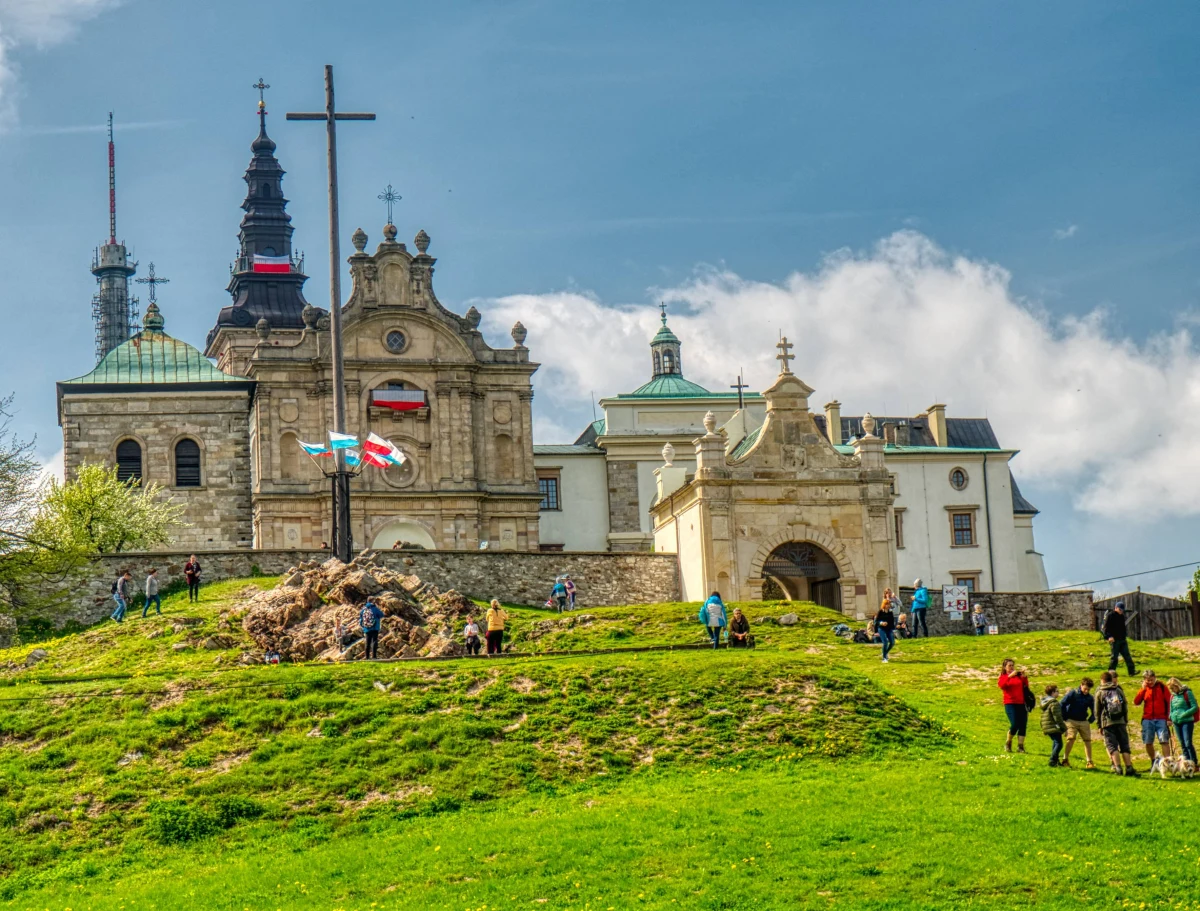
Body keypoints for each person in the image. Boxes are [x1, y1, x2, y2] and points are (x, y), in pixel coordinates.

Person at [1095, 670, 1137, 775]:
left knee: (1112, 746)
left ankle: (1118, 768)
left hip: (1107, 723)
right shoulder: (1118, 690)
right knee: (1124, 745)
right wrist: (1125, 720)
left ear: (1102, 680)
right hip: (1121, 721)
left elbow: (1097, 711)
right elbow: (1124, 705)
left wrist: (1099, 725)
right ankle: (1129, 768)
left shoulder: (1100, 692)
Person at [1134, 669, 1173, 765]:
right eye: (1148, 680)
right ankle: (1153, 761)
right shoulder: (1145, 689)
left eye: (1151, 680)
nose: (1150, 682)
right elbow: (1136, 702)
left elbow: (1169, 702)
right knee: (1148, 742)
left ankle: (1168, 763)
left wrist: (1169, 718)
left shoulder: (1162, 687)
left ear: (1155, 678)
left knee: (1164, 740)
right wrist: (1142, 689)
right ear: (1144, 680)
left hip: (1161, 719)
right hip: (1148, 719)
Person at [1059, 677, 1097, 769]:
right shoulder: (1073, 693)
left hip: (1084, 721)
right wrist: (1065, 717)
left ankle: (1089, 761)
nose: (1086, 691)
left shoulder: (1090, 698)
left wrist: (1090, 720)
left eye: (1088, 690)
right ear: (1081, 685)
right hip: (1071, 720)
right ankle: (1065, 759)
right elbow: (1062, 703)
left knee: (1087, 740)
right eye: (1085, 689)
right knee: (1071, 738)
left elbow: (1094, 710)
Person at [998, 658, 1029, 753]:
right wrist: (1009, 676)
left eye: (1012, 665)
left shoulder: (1017, 676)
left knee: (1023, 725)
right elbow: (1001, 685)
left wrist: (1024, 677)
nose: (1011, 667)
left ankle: (1020, 746)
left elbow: (1026, 687)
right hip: (1010, 703)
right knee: (1015, 724)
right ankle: (1008, 742)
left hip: (1021, 703)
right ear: (1005, 667)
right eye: (1009, 665)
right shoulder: (1004, 676)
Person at [1168, 677, 1198, 765]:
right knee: (1182, 744)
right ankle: (1186, 764)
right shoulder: (1172, 696)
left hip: (1187, 721)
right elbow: (1171, 708)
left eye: (1172, 688)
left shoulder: (1187, 693)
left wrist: (1184, 714)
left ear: (1177, 686)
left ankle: (1194, 762)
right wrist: (1170, 717)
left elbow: (1195, 707)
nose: (1171, 690)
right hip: (1176, 722)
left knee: (1188, 743)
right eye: (1170, 689)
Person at [1103, 600, 1136, 675]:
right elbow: (1106, 628)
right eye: (1120, 609)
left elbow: (1123, 628)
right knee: (1114, 657)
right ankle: (1111, 673)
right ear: (1116, 608)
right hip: (1114, 640)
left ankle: (1132, 672)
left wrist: (1124, 636)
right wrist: (1109, 636)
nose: (1121, 611)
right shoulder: (1110, 615)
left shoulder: (1122, 617)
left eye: (1122, 610)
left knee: (1127, 656)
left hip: (1122, 639)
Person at [1040, 684, 1067, 767]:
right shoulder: (1054, 703)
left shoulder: (1045, 702)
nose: (1058, 693)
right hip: (1053, 725)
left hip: (1046, 725)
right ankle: (1052, 760)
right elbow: (1057, 717)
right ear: (1052, 693)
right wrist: (1064, 728)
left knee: (1056, 742)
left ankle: (1056, 761)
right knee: (1059, 744)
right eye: (1057, 691)